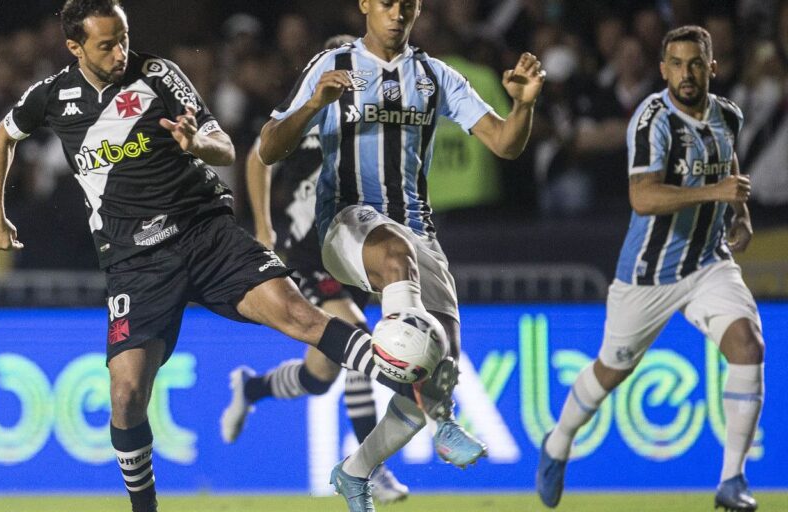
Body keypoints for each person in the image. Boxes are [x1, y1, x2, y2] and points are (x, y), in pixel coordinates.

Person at [0, 2, 445, 511]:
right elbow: (4, 135)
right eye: (106, 45)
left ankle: (416, 387)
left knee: (299, 316)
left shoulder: (157, 73)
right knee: (126, 394)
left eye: (124, 38)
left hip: (206, 235)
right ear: (75, 47)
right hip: (136, 265)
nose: (121, 53)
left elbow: (224, 145)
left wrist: (196, 144)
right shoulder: (52, 96)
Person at [258, 0, 544, 509]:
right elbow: (267, 148)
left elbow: (504, 143)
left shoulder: (436, 77)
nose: (397, 13)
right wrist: (310, 107)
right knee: (394, 261)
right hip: (346, 221)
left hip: (418, 230)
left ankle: (355, 471)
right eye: (386, 2)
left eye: (407, 5)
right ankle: (429, 404)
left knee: (439, 365)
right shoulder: (332, 67)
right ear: (364, 4)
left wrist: (521, 106)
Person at [536, 26, 764, 512]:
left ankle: (732, 481)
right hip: (648, 275)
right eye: (677, 64)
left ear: (711, 67)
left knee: (748, 346)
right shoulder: (651, 120)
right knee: (608, 373)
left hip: (707, 264)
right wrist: (716, 195)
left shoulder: (727, 115)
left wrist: (739, 216)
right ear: (664, 70)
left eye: (696, 63)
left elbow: (729, 168)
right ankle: (557, 443)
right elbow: (642, 197)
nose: (686, 73)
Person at [221, 33, 409, 506]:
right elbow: (257, 160)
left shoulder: (370, 124)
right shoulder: (306, 114)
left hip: (350, 251)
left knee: (322, 372)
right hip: (304, 249)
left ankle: (254, 386)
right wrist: (263, 227)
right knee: (353, 331)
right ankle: (372, 469)